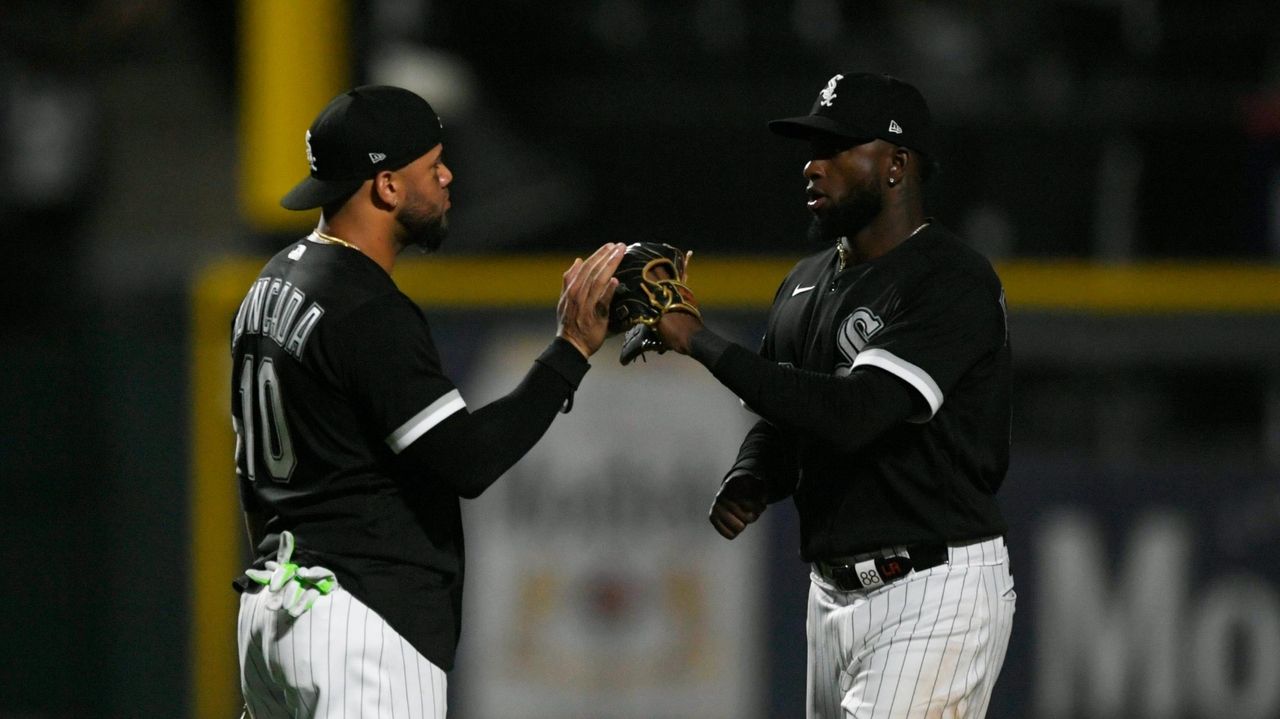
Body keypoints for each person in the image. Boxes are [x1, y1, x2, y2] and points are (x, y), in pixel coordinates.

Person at [229, 84, 624, 718]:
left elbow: (252, 474)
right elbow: (467, 460)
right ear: (385, 186)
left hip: (272, 611)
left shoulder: (269, 282)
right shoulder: (363, 305)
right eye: (431, 164)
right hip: (358, 623)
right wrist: (571, 351)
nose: (447, 175)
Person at [654, 73, 1015, 718]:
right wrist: (755, 472)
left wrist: (697, 341)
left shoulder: (949, 277)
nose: (812, 166)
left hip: (933, 587)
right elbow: (788, 408)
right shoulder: (805, 281)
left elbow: (855, 414)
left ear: (897, 164)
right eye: (810, 148)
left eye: (836, 148)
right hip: (831, 594)